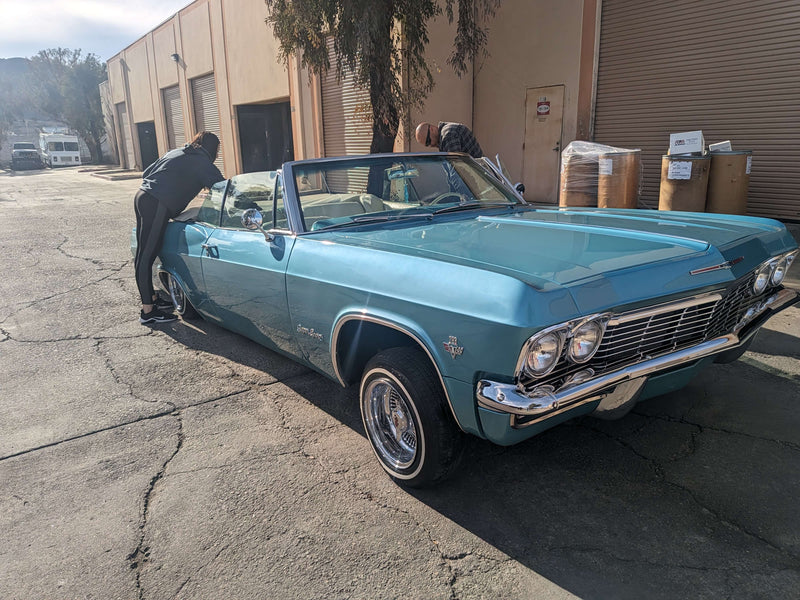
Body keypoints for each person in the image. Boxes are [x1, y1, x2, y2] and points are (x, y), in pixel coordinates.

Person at [134, 131, 225, 324]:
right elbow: (223, 190)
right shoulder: (202, 162)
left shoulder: (177, 152)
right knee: (147, 256)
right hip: (157, 202)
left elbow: (146, 172)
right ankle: (148, 312)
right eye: (217, 150)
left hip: (142, 196)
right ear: (212, 149)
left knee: (144, 253)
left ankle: (151, 299)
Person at [414, 121, 484, 158]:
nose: (431, 145)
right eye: (427, 145)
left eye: (428, 141)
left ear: (432, 129)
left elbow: (456, 167)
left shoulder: (448, 135)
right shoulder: (444, 139)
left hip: (480, 177)